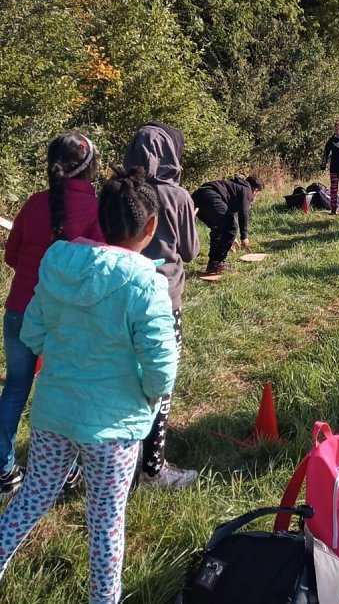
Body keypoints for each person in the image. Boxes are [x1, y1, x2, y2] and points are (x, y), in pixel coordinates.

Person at [0, 167, 178, 603]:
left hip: (54, 414)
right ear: (151, 227)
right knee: (106, 524)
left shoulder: (58, 263)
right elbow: (162, 367)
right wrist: (148, 398)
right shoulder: (147, 284)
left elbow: (34, 332)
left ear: (102, 216)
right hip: (114, 430)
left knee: (30, 500)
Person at [0, 132, 102, 499]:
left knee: (15, 388)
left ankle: (3, 470)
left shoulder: (33, 203)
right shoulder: (94, 209)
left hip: (18, 309)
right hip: (64, 319)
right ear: (90, 167)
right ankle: (66, 471)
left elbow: (12, 256)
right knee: (60, 393)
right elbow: (100, 267)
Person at [123, 122, 199, 489]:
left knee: (125, 378)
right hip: (164, 300)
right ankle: (153, 468)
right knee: (160, 382)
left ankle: (125, 458)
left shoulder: (119, 191)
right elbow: (191, 251)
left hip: (121, 296)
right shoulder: (177, 195)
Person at [192, 174, 264, 274]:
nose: (254, 197)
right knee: (231, 227)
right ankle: (218, 263)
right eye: (257, 194)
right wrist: (244, 237)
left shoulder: (235, 187)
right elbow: (244, 213)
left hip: (198, 197)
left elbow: (228, 214)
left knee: (219, 229)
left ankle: (213, 264)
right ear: (255, 190)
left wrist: (230, 237)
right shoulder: (247, 189)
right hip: (210, 196)